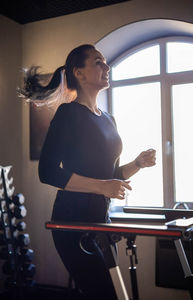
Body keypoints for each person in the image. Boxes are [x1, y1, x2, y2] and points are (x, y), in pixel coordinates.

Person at [19, 44, 156, 300]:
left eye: (105, 62)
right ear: (78, 73)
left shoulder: (108, 119)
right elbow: (47, 172)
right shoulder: (68, 113)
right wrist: (103, 187)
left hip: (101, 222)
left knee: (116, 292)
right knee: (105, 295)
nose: (106, 67)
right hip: (72, 223)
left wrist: (136, 164)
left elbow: (111, 173)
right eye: (98, 62)